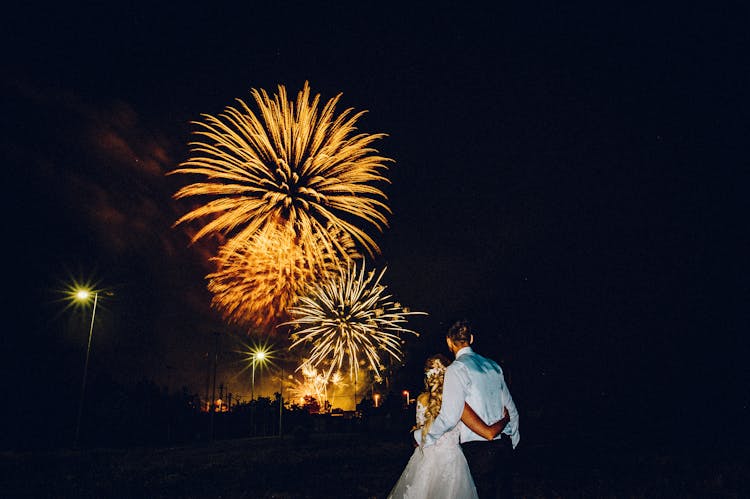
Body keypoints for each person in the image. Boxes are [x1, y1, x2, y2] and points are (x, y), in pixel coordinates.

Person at [419, 320, 520, 499]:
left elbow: (450, 417)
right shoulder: (493, 365)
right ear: (471, 339)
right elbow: (511, 409)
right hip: (502, 447)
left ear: (449, 342)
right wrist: (512, 439)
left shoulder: (456, 369)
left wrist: (422, 437)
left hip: (478, 451)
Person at [387, 354, 509, 499]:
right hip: (451, 463)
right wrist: (505, 419)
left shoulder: (421, 399)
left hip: (424, 461)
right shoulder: (458, 404)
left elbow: (420, 435)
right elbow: (489, 433)